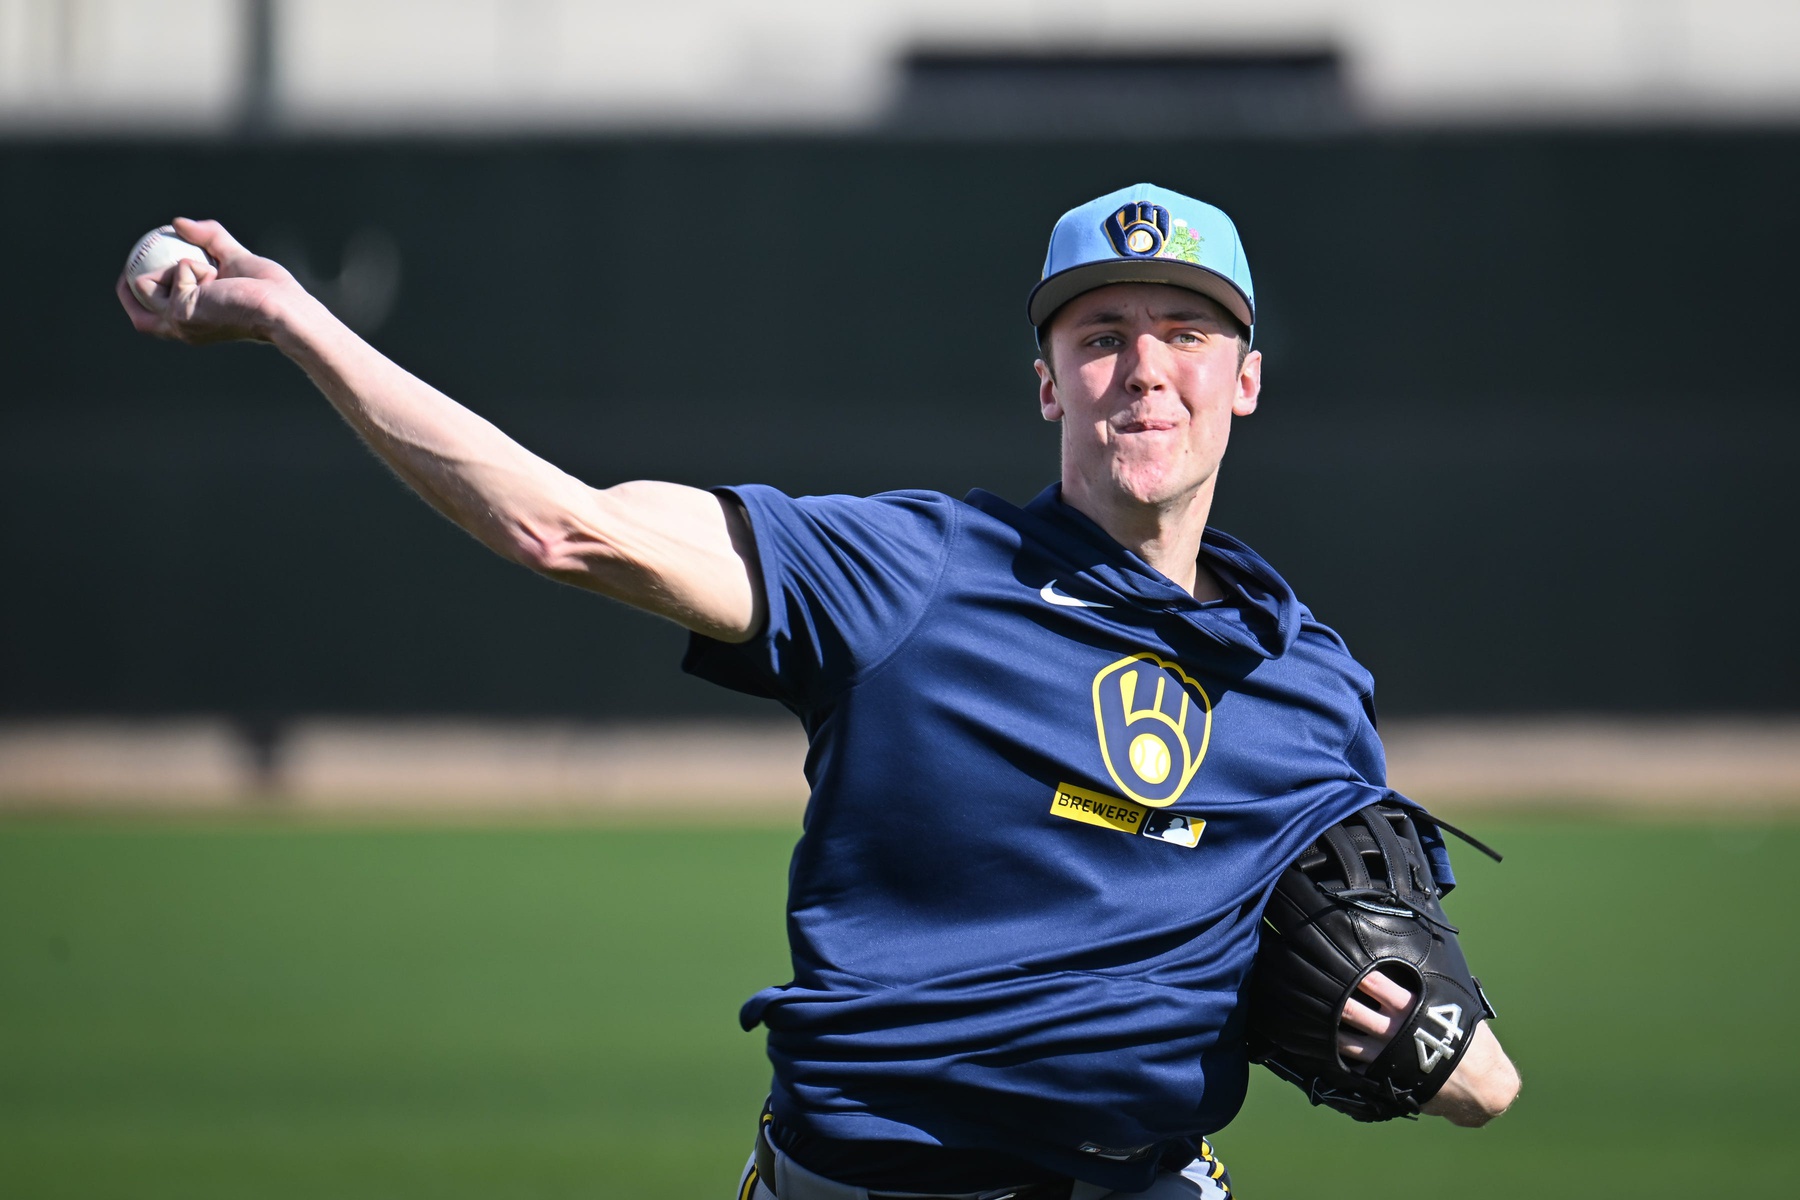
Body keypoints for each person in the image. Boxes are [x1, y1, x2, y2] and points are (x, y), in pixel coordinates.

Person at [118, 182, 1520, 1200]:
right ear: (1046, 383)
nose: (1143, 369)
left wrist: (1440, 1036)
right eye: (1100, 335)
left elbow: (1451, 1047)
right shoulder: (914, 572)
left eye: (1184, 333)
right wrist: (297, 322)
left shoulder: (1309, 684)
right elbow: (569, 528)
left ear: (1247, 381)